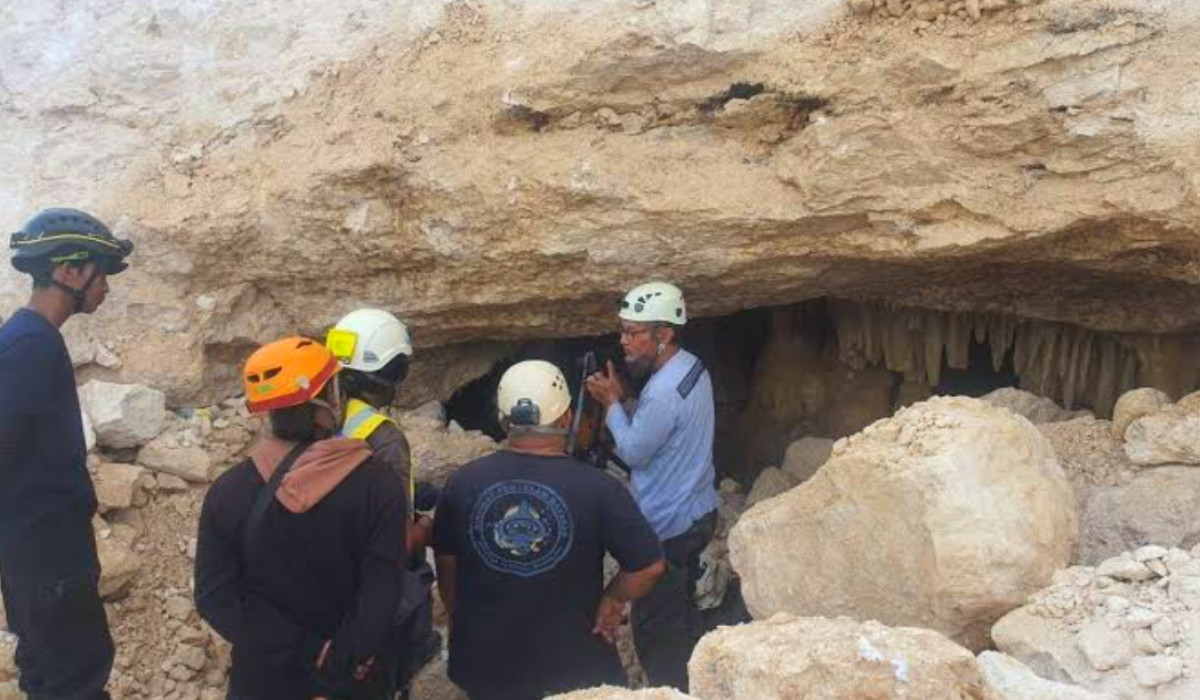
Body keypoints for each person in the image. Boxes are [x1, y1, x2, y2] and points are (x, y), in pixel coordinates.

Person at [433, 360, 665, 700]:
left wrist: (461, 619)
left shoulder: (462, 483)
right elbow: (649, 565)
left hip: (487, 667)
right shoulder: (599, 488)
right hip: (573, 670)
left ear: (502, 419)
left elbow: (447, 565)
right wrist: (613, 597)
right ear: (567, 417)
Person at [194, 337, 406, 700]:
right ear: (324, 402)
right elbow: (382, 592)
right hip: (352, 680)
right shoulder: (377, 484)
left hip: (263, 680)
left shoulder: (227, 492)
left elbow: (215, 597)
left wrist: (304, 648)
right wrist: (337, 662)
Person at [0, 208, 133, 699]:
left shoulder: (30, 341)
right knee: (71, 679)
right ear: (69, 271)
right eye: (101, 271)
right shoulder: (28, 348)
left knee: (54, 673)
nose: (107, 288)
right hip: (46, 558)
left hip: (39, 555)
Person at [585, 281, 719, 691]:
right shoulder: (692, 367)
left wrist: (610, 403)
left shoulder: (661, 393)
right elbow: (659, 431)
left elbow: (634, 450)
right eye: (622, 331)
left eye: (633, 333)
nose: (623, 341)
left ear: (664, 335)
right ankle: (700, 671)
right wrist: (626, 402)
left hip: (670, 524)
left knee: (656, 633)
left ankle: (675, 690)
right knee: (680, 612)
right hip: (699, 509)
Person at [325, 308, 438, 696]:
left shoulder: (314, 420)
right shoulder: (383, 437)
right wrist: (425, 528)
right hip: (373, 604)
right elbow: (396, 543)